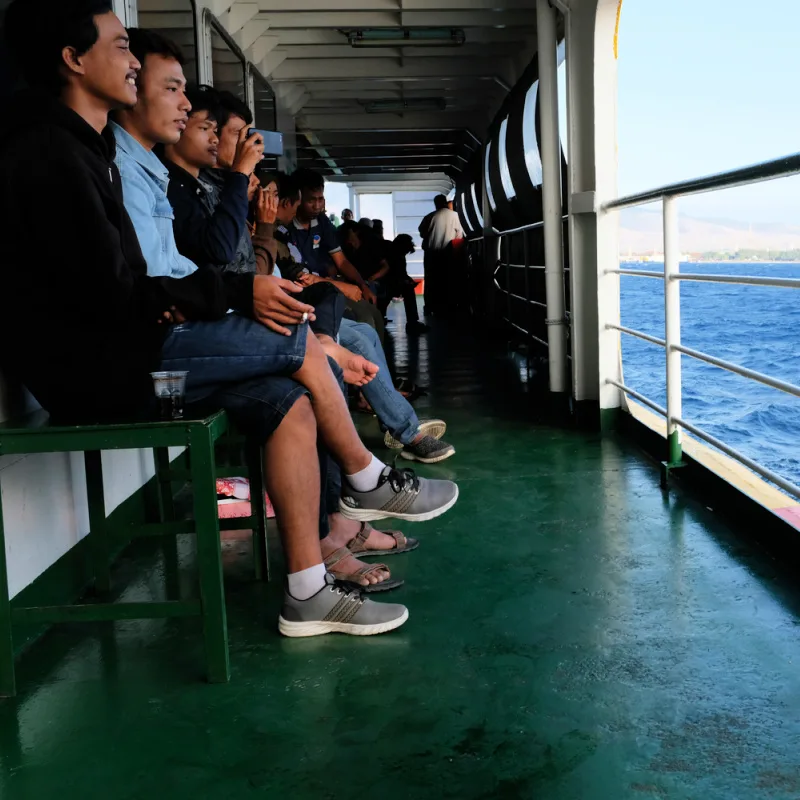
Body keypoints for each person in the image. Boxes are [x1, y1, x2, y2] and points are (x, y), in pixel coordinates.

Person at [0, 2, 457, 636]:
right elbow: (112, 296)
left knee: (287, 400)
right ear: (73, 60)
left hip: (131, 346)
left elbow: (130, 284)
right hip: (105, 372)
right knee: (300, 342)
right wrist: (232, 294)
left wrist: (217, 294)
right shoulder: (51, 154)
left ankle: (308, 592)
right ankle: (367, 476)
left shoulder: (88, 151)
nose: (132, 62)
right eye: (121, 47)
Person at [267, 173, 455, 464]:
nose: (314, 205)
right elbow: (293, 278)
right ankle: (407, 431)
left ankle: (388, 411)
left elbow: (320, 267)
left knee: (365, 331)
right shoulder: (266, 236)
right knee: (359, 337)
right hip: (288, 312)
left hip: (305, 303)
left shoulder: (278, 234)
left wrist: (360, 287)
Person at [291, 169, 386, 341]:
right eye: (311, 200)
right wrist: (342, 287)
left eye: (320, 199)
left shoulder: (322, 222)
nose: (317, 206)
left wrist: (362, 286)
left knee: (375, 315)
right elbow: (302, 278)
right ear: (298, 199)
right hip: (308, 292)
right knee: (365, 321)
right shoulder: (286, 228)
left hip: (328, 286)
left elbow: (341, 261)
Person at [419, 194, 464, 315]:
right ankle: (447, 306)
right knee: (446, 280)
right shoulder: (455, 216)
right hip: (447, 254)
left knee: (430, 280)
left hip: (431, 254)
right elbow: (459, 235)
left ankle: (429, 306)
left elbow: (422, 233)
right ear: (445, 202)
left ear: (435, 204)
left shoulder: (429, 217)